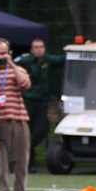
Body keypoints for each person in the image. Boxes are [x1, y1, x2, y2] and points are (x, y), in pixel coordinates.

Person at [0, 38, 32, 191]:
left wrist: (11, 64)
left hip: (18, 118)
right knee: (1, 160)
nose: (0, 57)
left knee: (21, 158)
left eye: (3, 53)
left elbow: (25, 84)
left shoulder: (18, 69)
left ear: (9, 53)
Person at [14, 38, 64, 171]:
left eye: (41, 47)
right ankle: (27, 165)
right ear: (31, 49)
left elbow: (62, 59)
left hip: (41, 101)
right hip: (27, 101)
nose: (39, 49)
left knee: (42, 130)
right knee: (25, 131)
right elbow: (11, 65)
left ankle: (25, 151)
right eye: (36, 47)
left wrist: (81, 47)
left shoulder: (47, 60)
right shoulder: (25, 61)